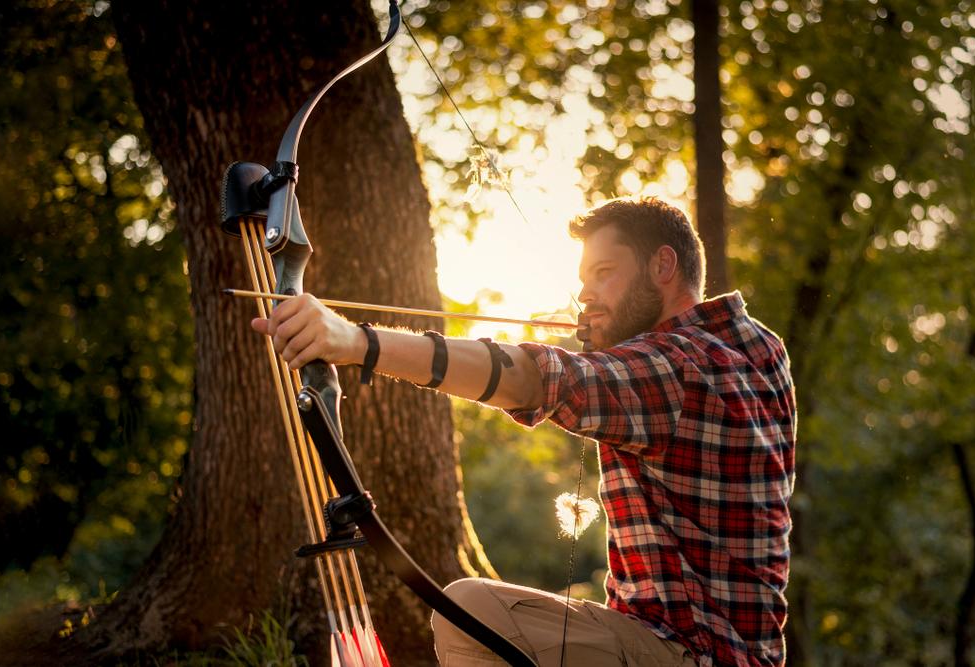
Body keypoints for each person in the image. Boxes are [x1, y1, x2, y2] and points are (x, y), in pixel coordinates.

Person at [252, 196, 796, 667]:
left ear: (663, 266)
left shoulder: (680, 369)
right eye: (583, 279)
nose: (585, 295)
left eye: (604, 271)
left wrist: (355, 343)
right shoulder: (756, 350)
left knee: (471, 610)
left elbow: (538, 379)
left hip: (688, 653)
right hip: (721, 650)